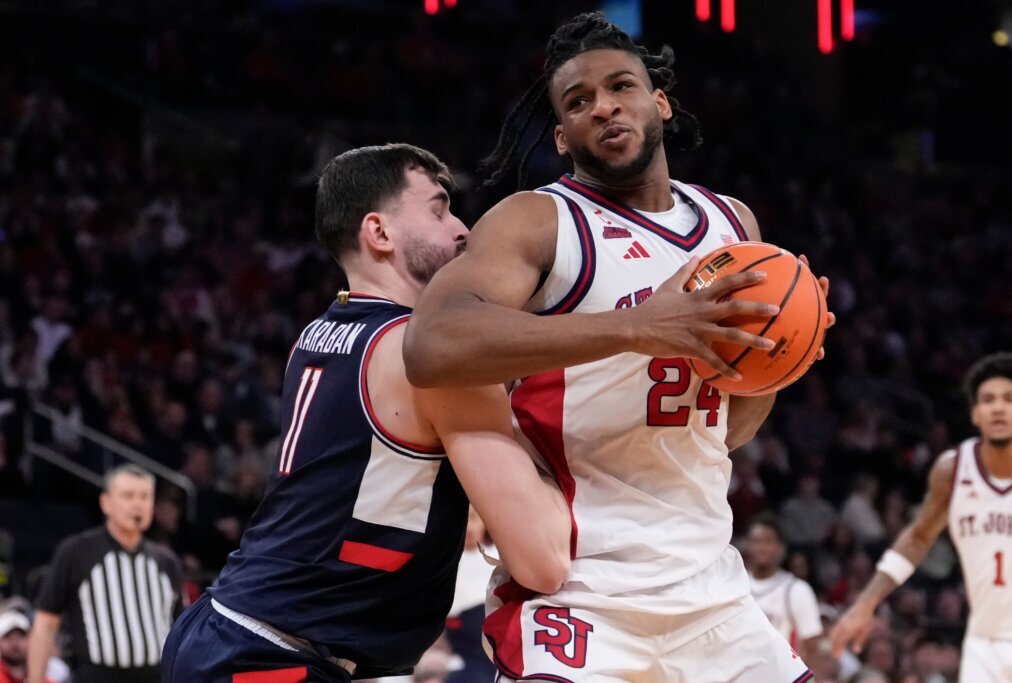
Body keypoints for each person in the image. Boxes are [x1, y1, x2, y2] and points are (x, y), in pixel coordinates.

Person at [404, 12, 833, 682]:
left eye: (620, 87)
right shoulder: (541, 220)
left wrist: (781, 356)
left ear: (659, 101)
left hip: (709, 590)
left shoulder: (733, 224)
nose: (602, 107)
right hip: (581, 592)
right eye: (578, 102)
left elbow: (729, 429)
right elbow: (430, 344)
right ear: (562, 135)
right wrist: (637, 326)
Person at [161, 144, 571, 681]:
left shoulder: (319, 332)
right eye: (439, 209)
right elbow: (544, 560)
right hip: (271, 655)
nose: (463, 229)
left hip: (232, 631)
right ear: (379, 233)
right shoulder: (426, 359)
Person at [830, 352, 1012, 683]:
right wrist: (866, 603)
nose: (998, 408)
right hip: (983, 643)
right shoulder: (953, 470)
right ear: (975, 413)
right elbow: (919, 537)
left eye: (1010, 398)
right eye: (988, 399)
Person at [27, 465, 181, 683]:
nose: (138, 504)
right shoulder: (76, 552)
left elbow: (180, 631)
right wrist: (35, 679)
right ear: (106, 502)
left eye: (145, 497)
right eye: (128, 496)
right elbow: (45, 622)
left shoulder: (167, 562)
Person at [743, 515, 829, 678]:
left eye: (768, 541)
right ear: (748, 546)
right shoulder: (736, 587)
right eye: (756, 541)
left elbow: (813, 648)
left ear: (781, 548)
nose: (761, 547)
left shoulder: (797, 590)